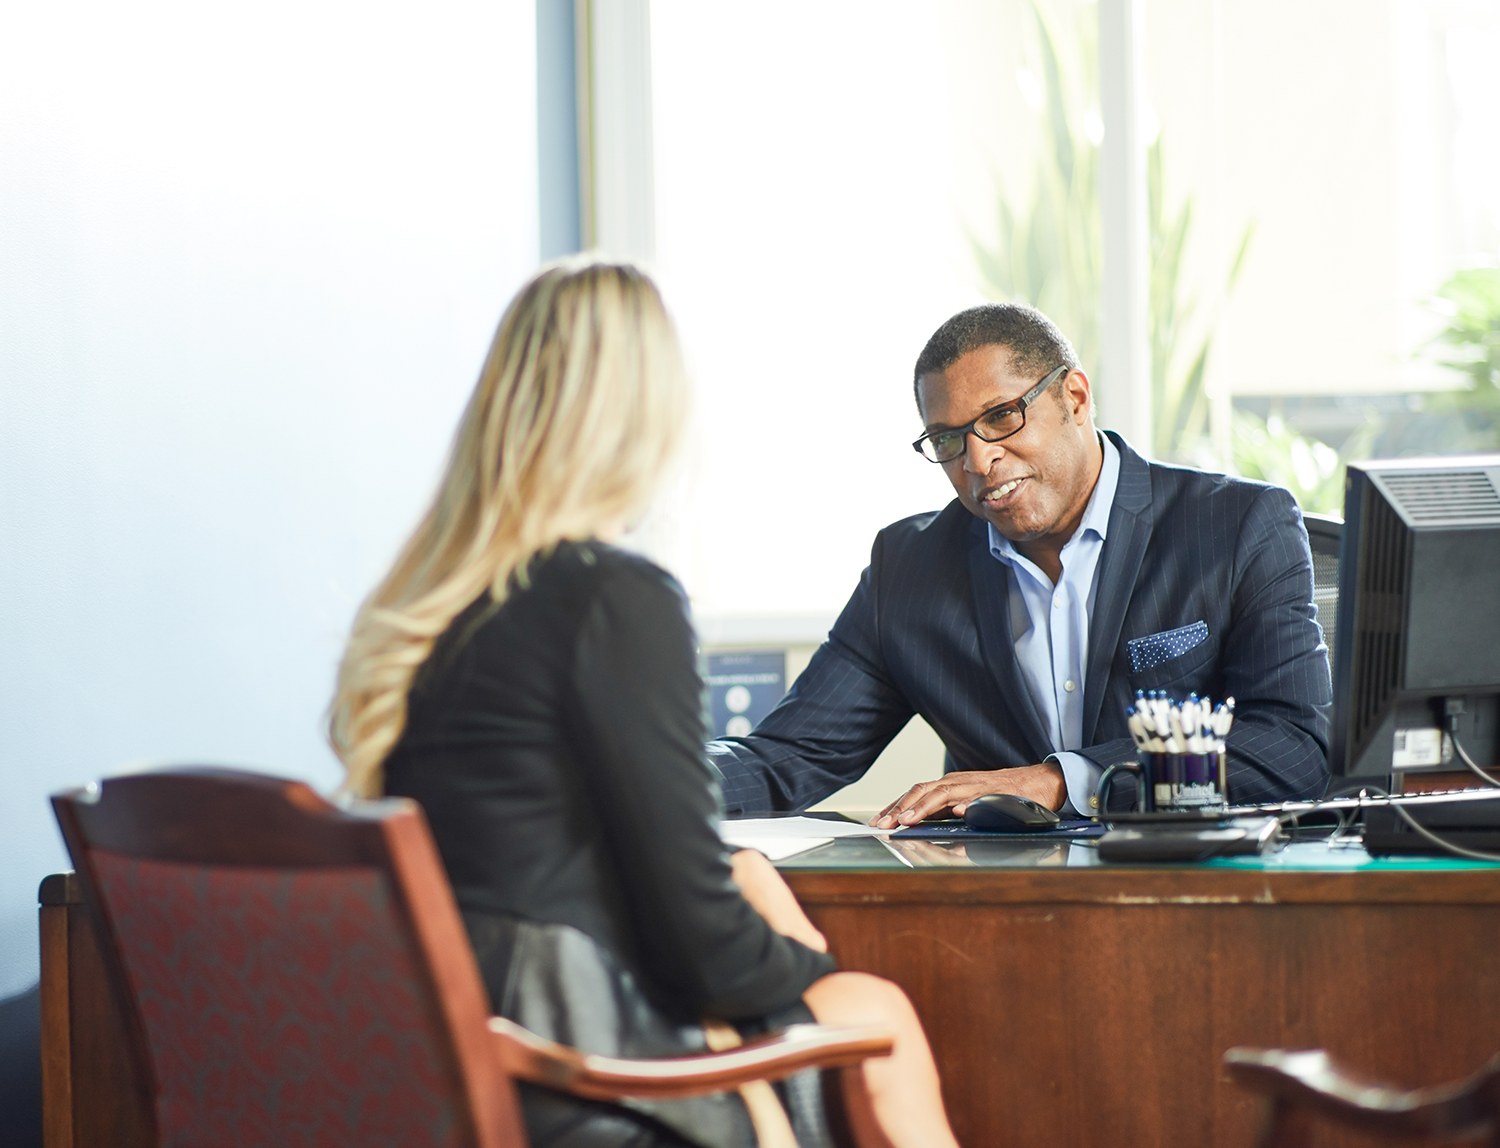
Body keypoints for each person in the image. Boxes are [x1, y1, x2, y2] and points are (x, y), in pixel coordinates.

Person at [328, 259, 959, 1148]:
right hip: (578, 1074)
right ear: (645, 416)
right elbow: (698, 943)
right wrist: (804, 950)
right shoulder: (611, 599)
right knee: (873, 1008)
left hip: (447, 1059)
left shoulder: (429, 610)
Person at [707, 303, 1331, 823]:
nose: (978, 462)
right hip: (1001, 909)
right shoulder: (909, 569)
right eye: (949, 440)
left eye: (1002, 417)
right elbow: (784, 758)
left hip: (1188, 894)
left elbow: (1291, 749)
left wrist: (1063, 781)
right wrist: (636, 784)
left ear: (1076, 397)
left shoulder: (1238, 527)